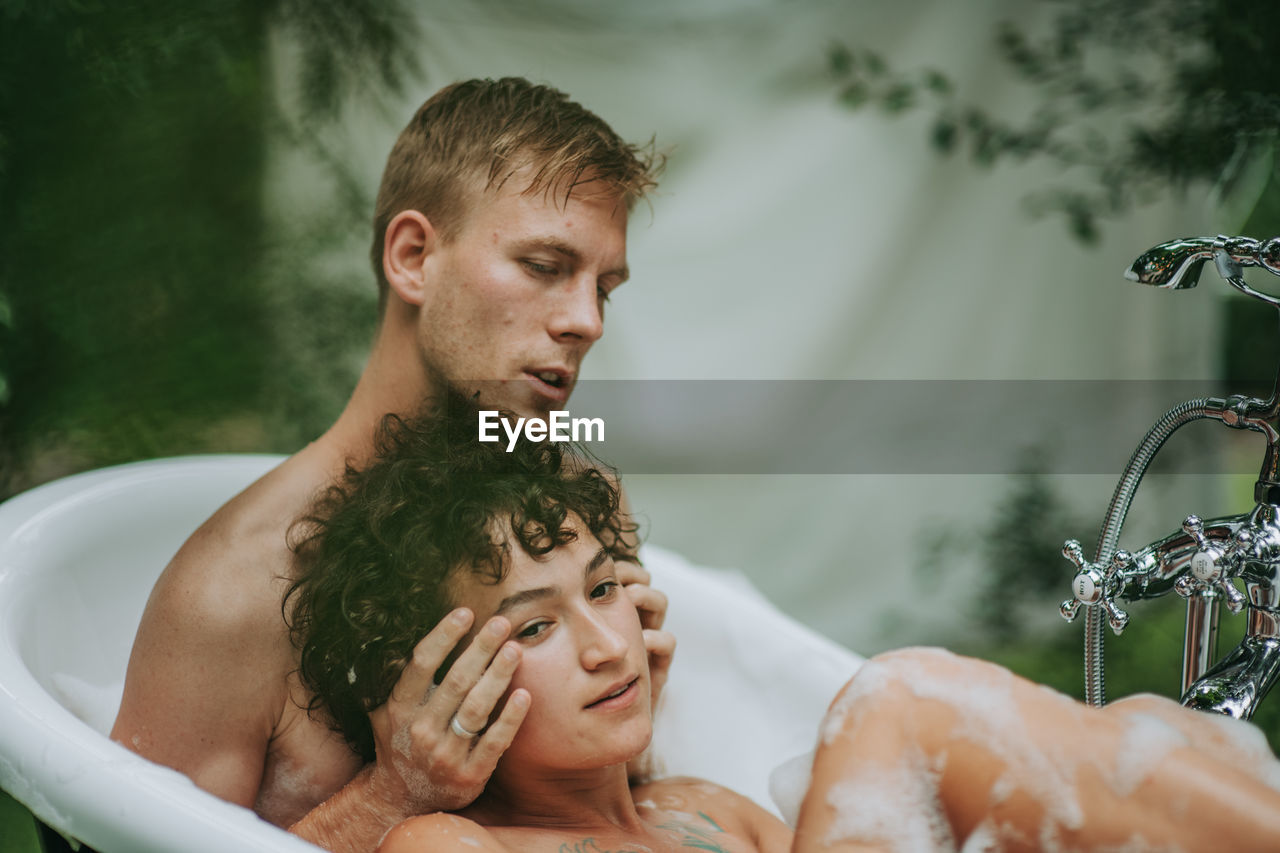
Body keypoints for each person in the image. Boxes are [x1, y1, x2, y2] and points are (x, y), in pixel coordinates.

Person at [290, 402, 1280, 853]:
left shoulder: (709, 811)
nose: (604, 647)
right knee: (892, 705)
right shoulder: (448, 844)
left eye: (601, 591)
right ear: (439, 679)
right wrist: (396, 784)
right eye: (535, 628)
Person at [109, 77, 671, 853]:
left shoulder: (578, 497)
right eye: (546, 265)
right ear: (413, 257)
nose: (586, 320)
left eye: (603, 287)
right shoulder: (233, 592)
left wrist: (632, 733)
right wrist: (390, 795)